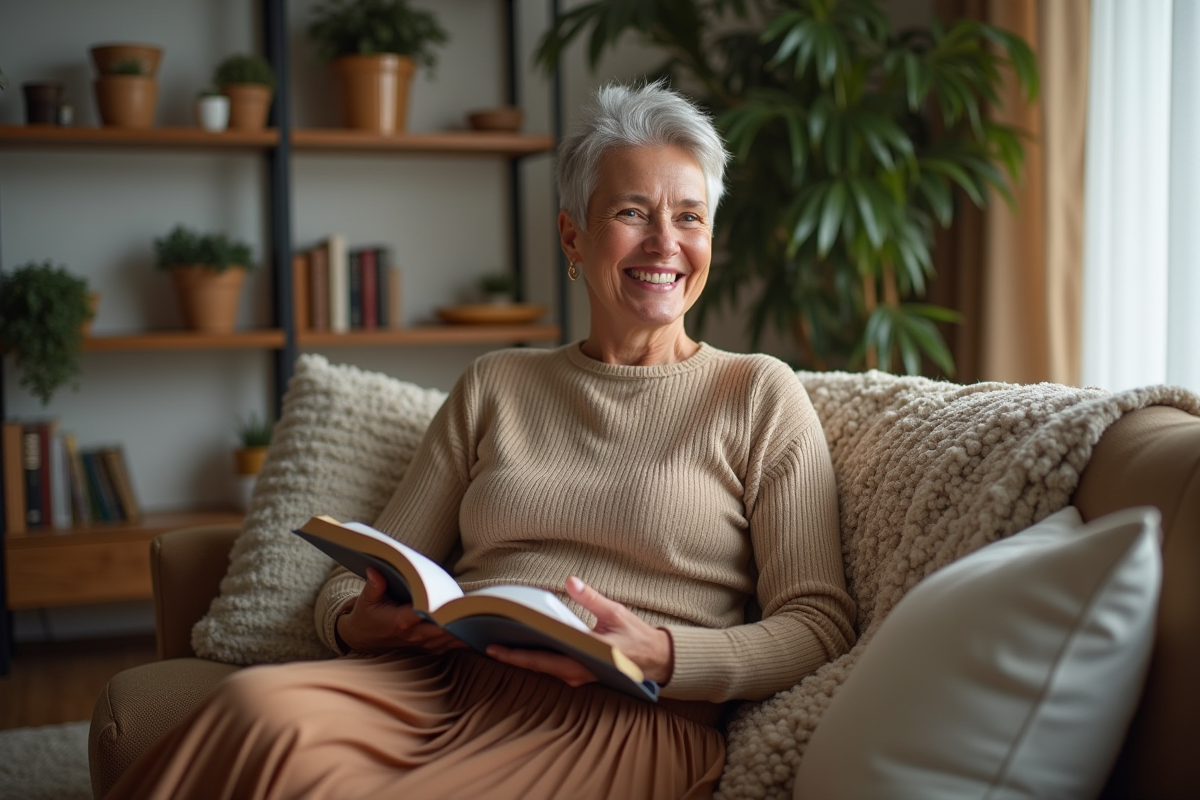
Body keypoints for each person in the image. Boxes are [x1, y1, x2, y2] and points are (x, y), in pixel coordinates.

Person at [107, 81, 856, 800]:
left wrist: (664, 652)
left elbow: (818, 624)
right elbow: (363, 568)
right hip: (439, 687)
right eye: (633, 211)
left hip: (622, 718)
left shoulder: (758, 393)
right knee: (253, 714)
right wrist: (353, 621)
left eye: (690, 217)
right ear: (574, 232)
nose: (666, 242)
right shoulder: (496, 384)